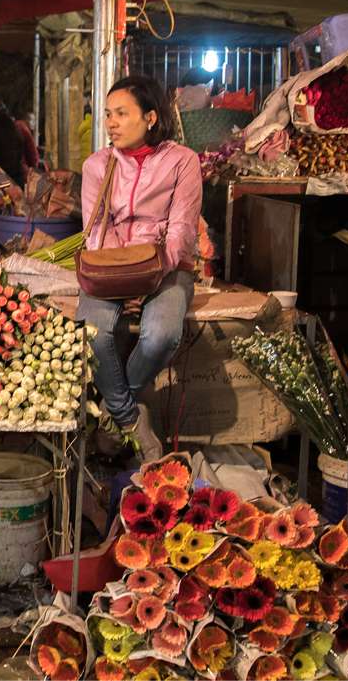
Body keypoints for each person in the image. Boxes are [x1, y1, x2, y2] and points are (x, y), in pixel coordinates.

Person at [77, 76, 203, 461]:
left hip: (167, 266)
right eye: (108, 115)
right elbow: (95, 229)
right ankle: (132, 419)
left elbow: (182, 227)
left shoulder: (183, 161)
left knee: (161, 335)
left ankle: (114, 415)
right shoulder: (98, 165)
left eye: (121, 114)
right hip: (111, 267)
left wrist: (150, 277)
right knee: (93, 335)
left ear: (149, 117)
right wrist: (122, 279)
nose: (111, 123)